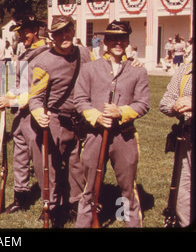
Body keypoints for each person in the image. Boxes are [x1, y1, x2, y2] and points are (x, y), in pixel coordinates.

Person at [74, 20, 150, 228]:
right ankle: (84, 224)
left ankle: (131, 223)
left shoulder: (137, 70)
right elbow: (79, 99)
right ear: (105, 41)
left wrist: (121, 112)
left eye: (122, 38)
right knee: (89, 186)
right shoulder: (90, 68)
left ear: (127, 40)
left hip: (124, 137)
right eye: (113, 38)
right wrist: (96, 116)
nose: (118, 42)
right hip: (95, 135)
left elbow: (143, 103)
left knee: (127, 187)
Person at [28, 15, 93, 227]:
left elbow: (103, 70)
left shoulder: (85, 53)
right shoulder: (43, 62)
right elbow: (35, 97)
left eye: (67, 31)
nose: (63, 36)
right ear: (51, 36)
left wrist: (132, 61)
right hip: (54, 118)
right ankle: (51, 205)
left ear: (73, 31)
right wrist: (39, 113)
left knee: (77, 163)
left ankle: (75, 204)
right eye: (58, 33)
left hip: (80, 118)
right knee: (49, 165)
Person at [0, 13, 48, 213]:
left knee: (40, 158)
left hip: (37, 113)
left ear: (34, 31)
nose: (21, 37)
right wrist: (7, 96)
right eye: (18, 33)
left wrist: (13, 101)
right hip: (21, 115)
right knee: (19, 156)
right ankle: (21, 197)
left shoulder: (46, 54)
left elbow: (37, 91)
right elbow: (20, 84)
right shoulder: (25, 54)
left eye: (24, 32)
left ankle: (48, 201)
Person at [159, 61, 193, 227]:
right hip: (187, 136)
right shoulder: (185, 69)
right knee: (182, 192)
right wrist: (175, 106)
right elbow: (165, 102)